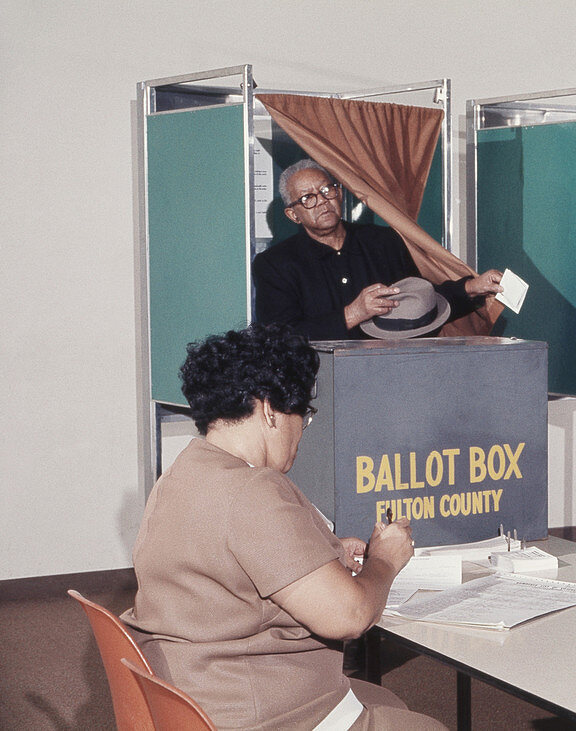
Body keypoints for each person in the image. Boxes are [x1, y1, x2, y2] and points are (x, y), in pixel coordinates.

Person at [121, 323, 444, 730]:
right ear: (270, 409)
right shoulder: (254, 489)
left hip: (195, 694)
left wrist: (323, 555)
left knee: (386, 700)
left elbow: (230, 562)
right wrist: (385, 560)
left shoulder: (184, 473)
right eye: (302, 415)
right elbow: (350, 615)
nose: (301, 432)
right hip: (260, 712)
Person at [253, 159, 503, 340]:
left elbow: (421, 300)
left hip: (390, 371)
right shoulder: (275, 264)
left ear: (339, 194)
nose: (322, 201)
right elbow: (278, 337)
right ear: (293, 215)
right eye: (308, 198)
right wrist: (353, 313)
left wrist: (472, 287)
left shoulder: (381, 241)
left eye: (327, 190)